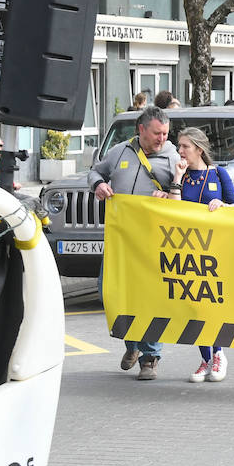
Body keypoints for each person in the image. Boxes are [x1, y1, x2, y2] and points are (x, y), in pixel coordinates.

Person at [89, 106, 180, 381]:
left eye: (165, 133)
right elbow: (95, 172)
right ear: (141, 130)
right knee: (112, 291)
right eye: (156, 133)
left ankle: (150, 356)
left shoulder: (173, 156)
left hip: (153, 242)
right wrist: (98, 186)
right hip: (119, 239)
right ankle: (132, 345)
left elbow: (183, 193)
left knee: (148, 298)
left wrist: (168, 194)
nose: (162, 138)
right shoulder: (119, 152)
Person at [171, 127, 234, 384]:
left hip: (215, 249)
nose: (180, 151)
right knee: (194, 305)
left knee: (212, 303)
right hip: (188, 248)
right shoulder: (181, 176)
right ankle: (205, 358)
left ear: (199, 150)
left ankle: (219, 354)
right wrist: (177, 177)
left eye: (185, 147)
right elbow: (174, 209)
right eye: (179, 146)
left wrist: (223, 205)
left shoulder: (218, 174)